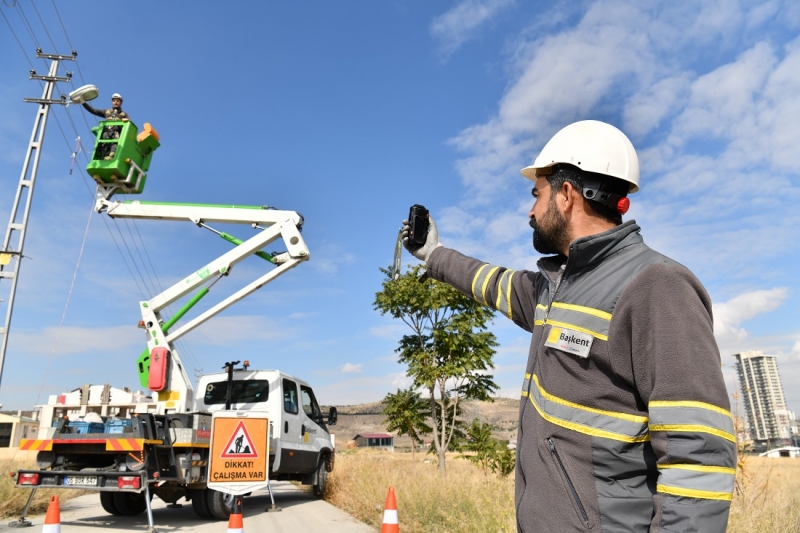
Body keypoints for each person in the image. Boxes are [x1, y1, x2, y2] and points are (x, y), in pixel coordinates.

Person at [402, 120, 735, 533]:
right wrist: (433, 253)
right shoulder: (553, 289)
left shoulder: (657, 285)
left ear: (566, 194)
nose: (530, 211)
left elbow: (698, 457)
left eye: (536, 195)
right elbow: (491, 282)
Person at [82, 93, 130, 160]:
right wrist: (83, 103)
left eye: (117, 101)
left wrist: (126, 121)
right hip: (107, 131)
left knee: (115, 140)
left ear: (120, 102)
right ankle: (106, 155)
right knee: (105, 140)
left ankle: (112, 155)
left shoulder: (124, 114)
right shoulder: (107, 112)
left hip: (116, 132)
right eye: (114, 101)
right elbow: (93, 111)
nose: (115, 102)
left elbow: (129, 125)